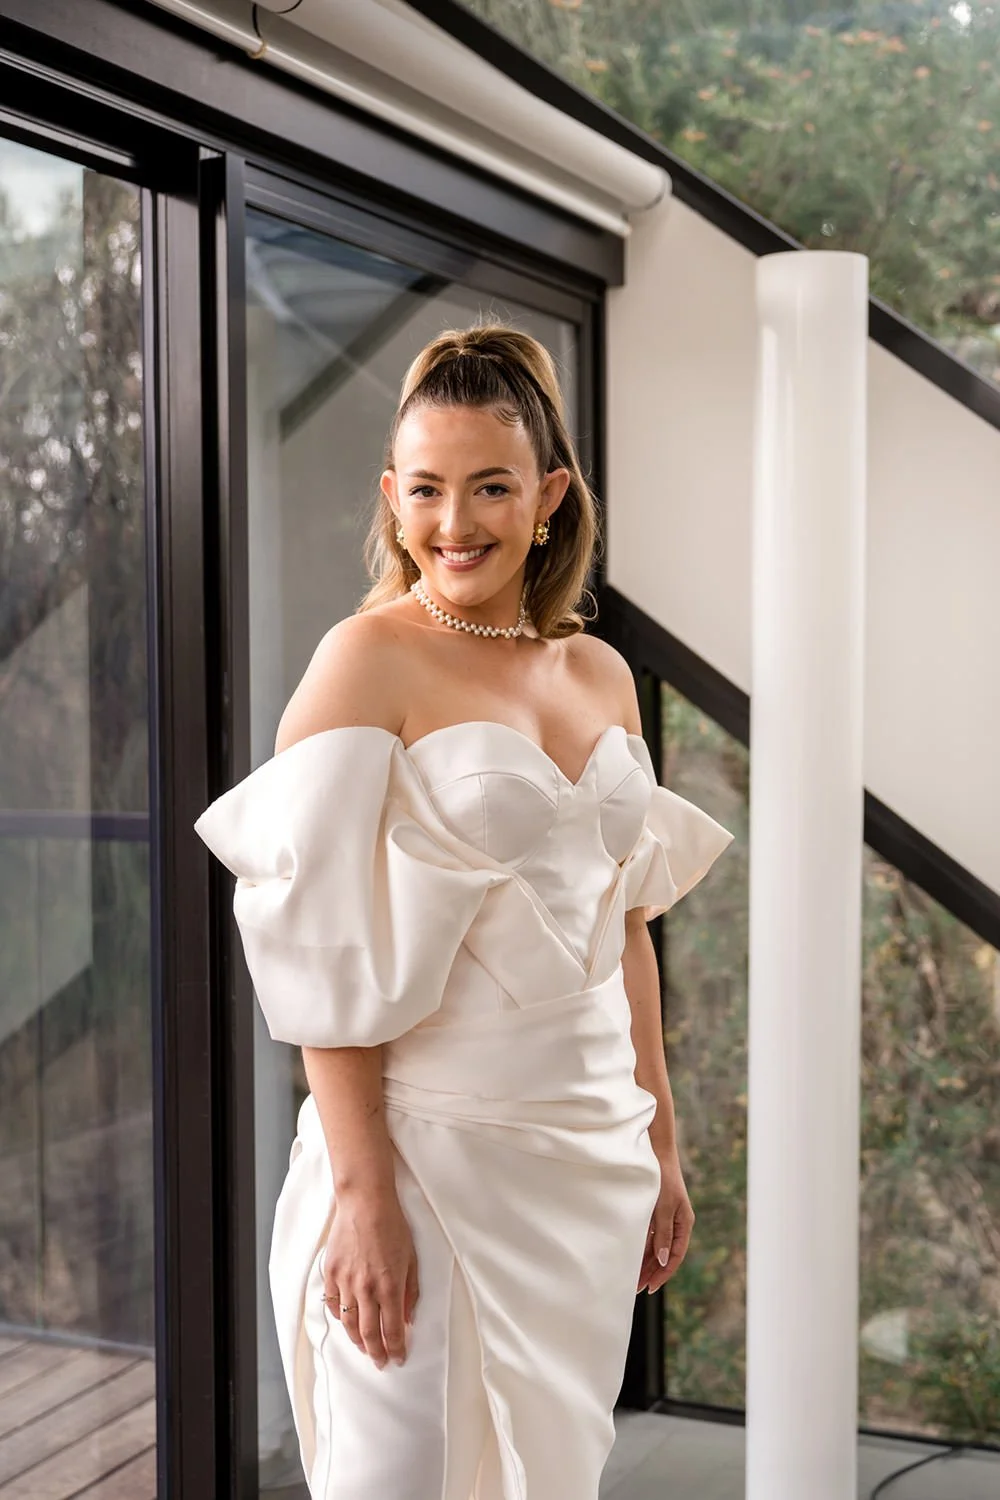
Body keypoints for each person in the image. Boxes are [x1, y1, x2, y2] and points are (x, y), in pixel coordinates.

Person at [193, 324, 734, 1500]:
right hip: (427, 1155)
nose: (456, 523)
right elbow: (320, 955)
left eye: (490, 486)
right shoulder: (364, 662)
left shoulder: (597, 673)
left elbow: (625, 926)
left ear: (548, 495)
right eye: (427, 490)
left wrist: (661, 1138)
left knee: (545, 1476)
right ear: (392, 499)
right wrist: (361, 1194)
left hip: (584, 1155)